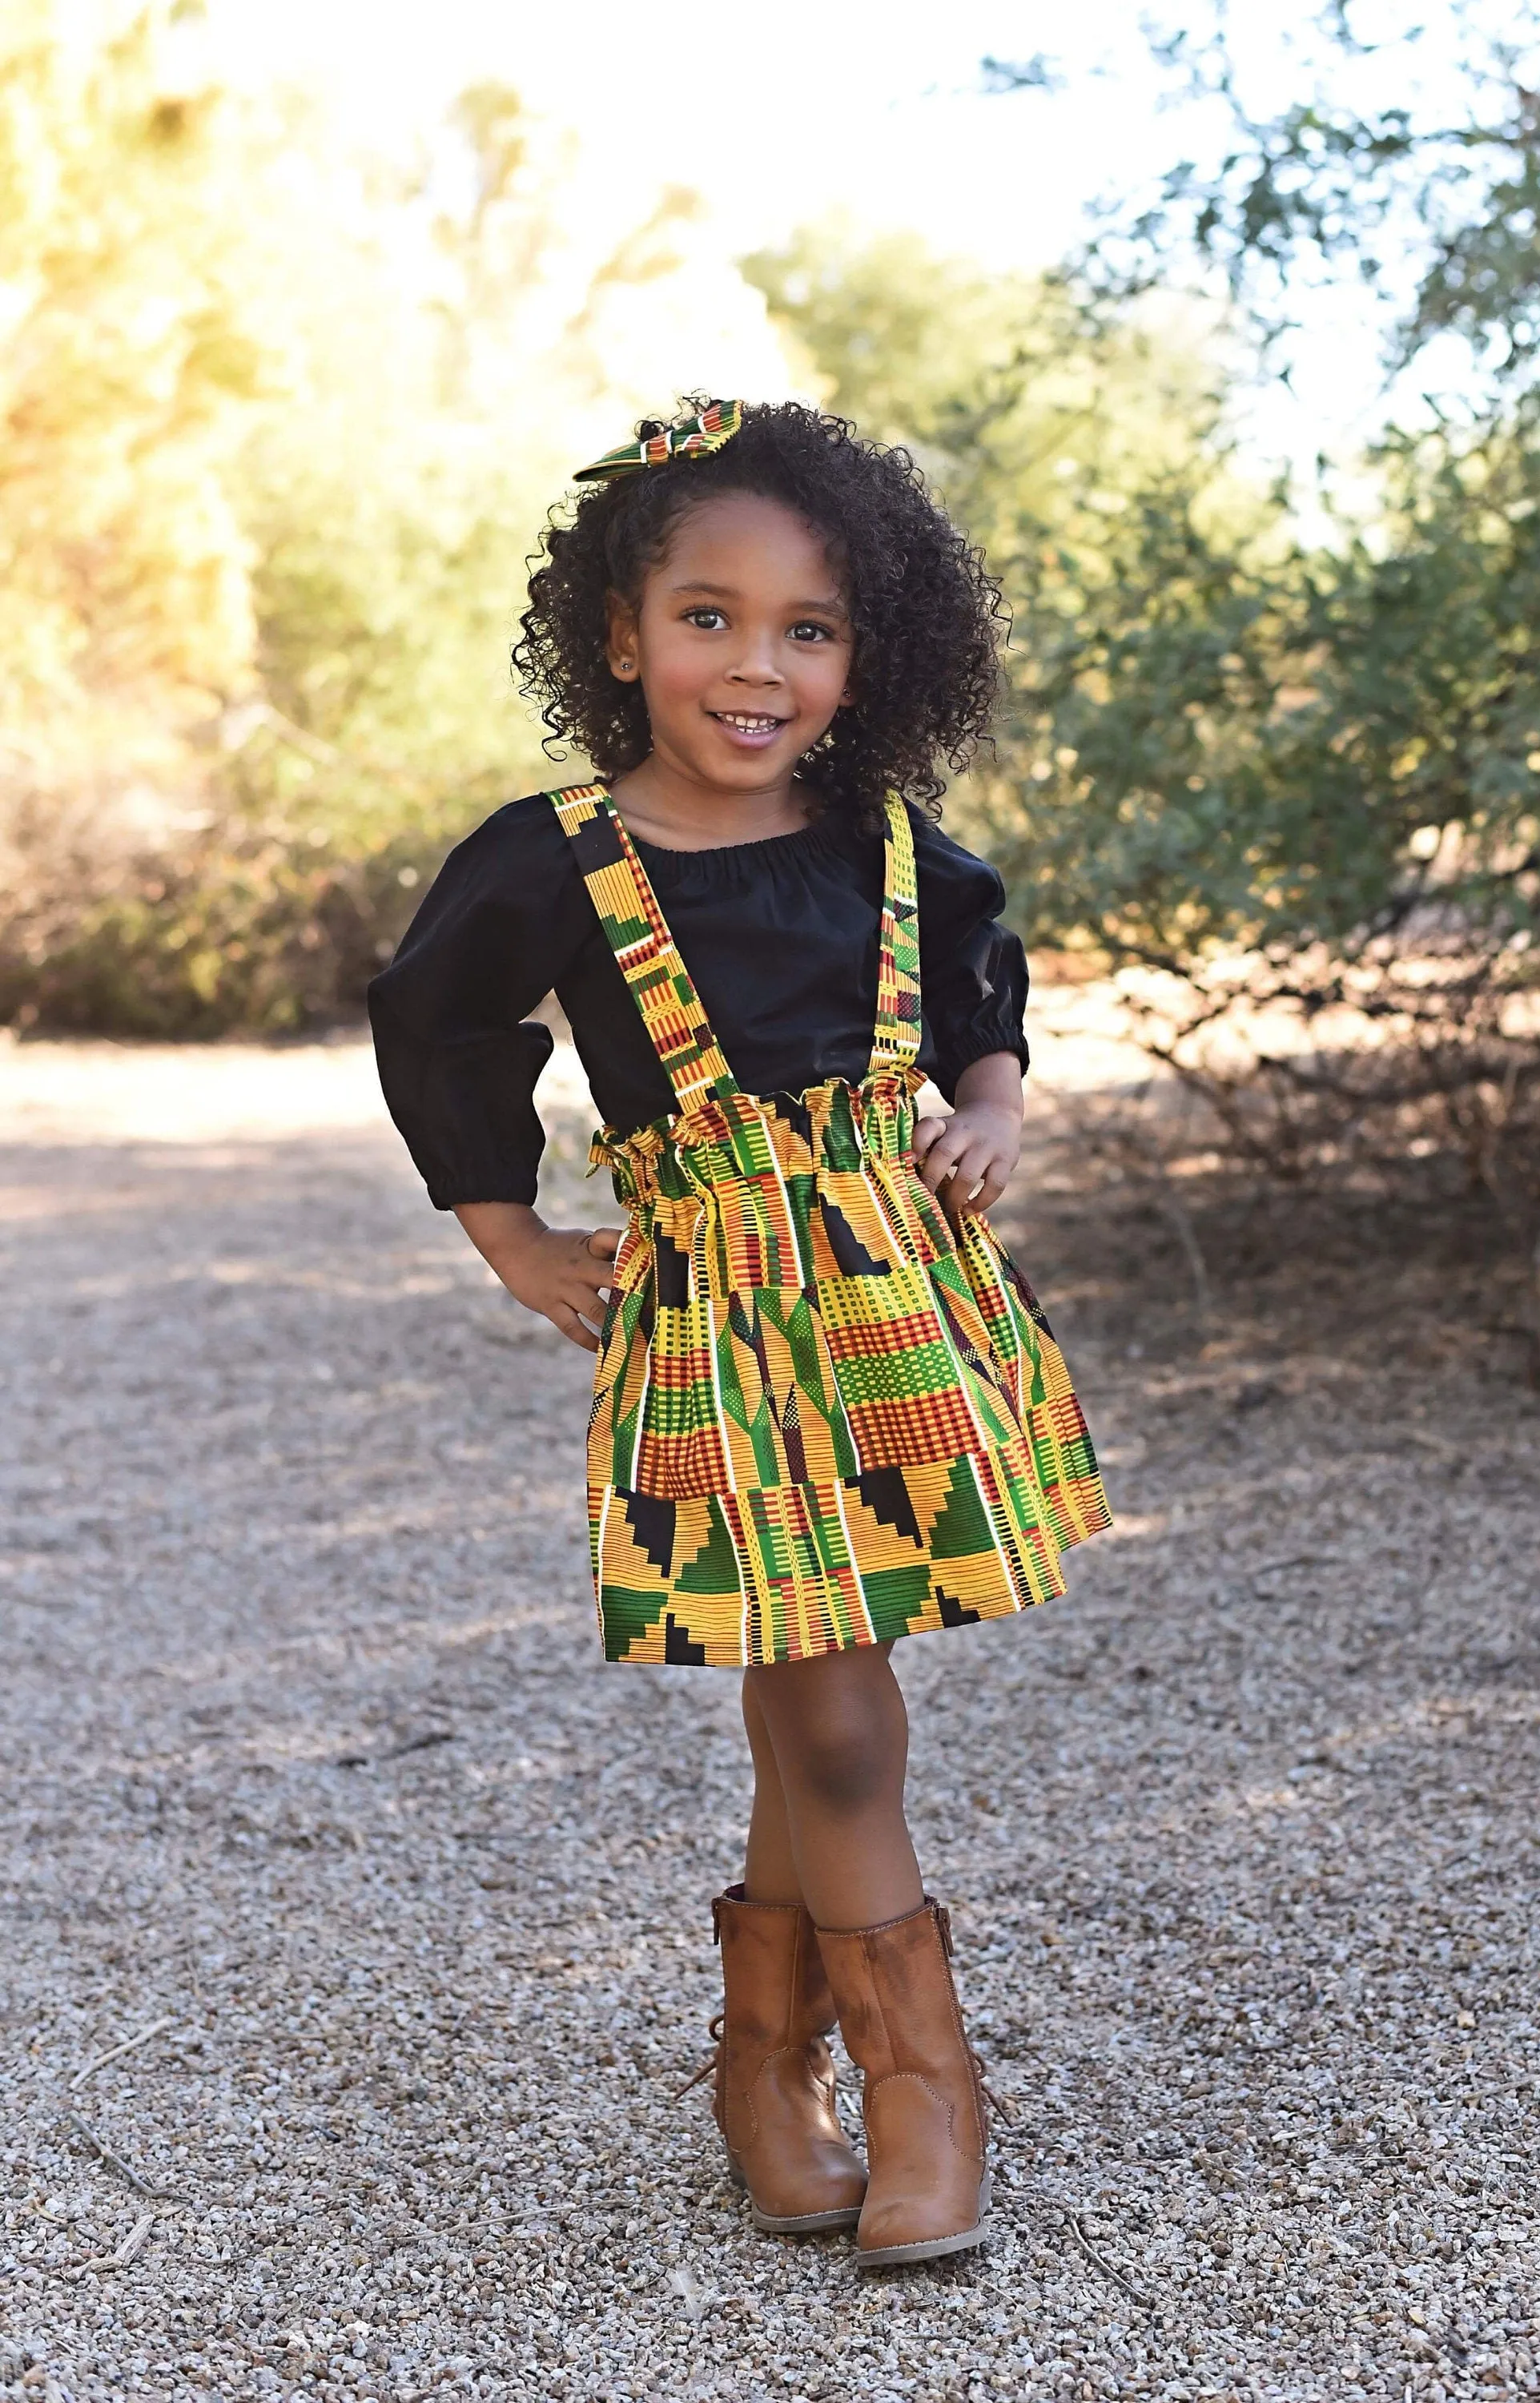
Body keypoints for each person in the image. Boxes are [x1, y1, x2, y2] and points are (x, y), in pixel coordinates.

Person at [368, 398, 1109, 2267]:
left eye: (809, 628)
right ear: (619, 634)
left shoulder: (883, 842)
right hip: (720, 1327)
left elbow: (979, 978)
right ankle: (922, 2082)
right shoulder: (552, 860)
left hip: (899, 1306)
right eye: (708, 618)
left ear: (868, 658)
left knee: (825, 1696)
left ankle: (764, 2065)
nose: (756, 667)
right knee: (843, 1715)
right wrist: (506, 1233)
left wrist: (995, 1105)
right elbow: (436, 1022)